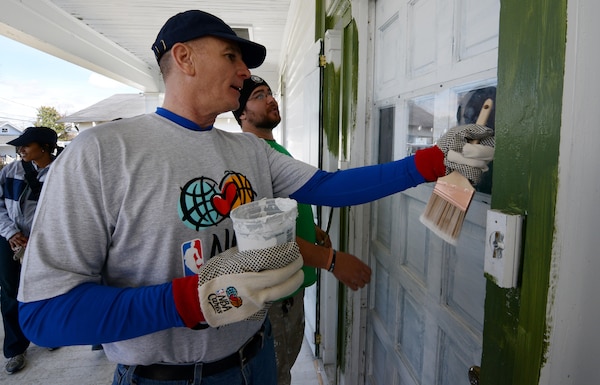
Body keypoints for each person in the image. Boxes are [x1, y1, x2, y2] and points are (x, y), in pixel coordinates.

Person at [16, 9, 494, 385]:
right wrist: (193, 300)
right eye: (232, 57)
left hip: (256, 360)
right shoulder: (101, 152)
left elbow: (331, 188)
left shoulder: (249, 150)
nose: (246, 72)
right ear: (184, 58)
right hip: (163, 378)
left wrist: (434, 161)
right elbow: (44, 314)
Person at [233, 74, 372, 384]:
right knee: (276, 374)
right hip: (275, 296)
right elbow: (264, 237)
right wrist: (332, 260)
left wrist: (313, 228)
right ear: (241, 113)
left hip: (293, 285)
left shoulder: (274, 150)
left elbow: (281, 210)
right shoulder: (249, 157)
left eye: (270, 92)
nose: (270, 98)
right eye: (258, 95)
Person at [0, 126, 60, 374]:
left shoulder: (64, 171)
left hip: (47, 242)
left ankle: (47, 334)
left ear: (44, 147)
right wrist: (10, 232)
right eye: (19, 146)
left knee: (48, 288)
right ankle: (15, 349)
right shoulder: (11, 171)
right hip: (10, 239)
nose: (21, 149)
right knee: (10, 292)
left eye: (26, 145)